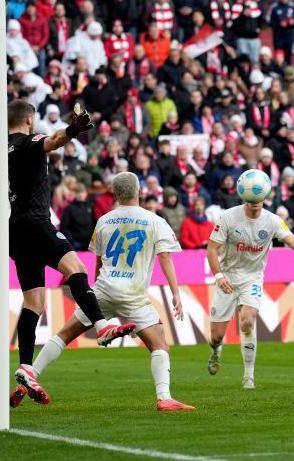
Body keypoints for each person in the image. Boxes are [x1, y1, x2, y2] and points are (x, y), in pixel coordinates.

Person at [0, 101, 134, 407]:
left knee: (34, 302)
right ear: (29, 119)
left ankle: (26, 367)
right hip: (37, 223)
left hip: (15, 232)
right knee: (75, 266)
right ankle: (103, 328)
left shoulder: (1, 153)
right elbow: (52, 141)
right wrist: (73, 130)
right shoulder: (31, 141)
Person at [23, 173, 194, 411]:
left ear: (115, 194)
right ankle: (164, 397)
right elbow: (164, 256)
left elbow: (99, 261)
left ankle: (30, 375)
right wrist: (175, 293)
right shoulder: (155, 220)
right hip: (133, 295)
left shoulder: (104, 220)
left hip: (102, 290)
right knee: (159, 345)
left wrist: (92, 294)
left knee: (63, 335)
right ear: (139, 192)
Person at [205, 183, 294, 389]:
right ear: (244, 196)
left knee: (247, 321)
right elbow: (211, 250)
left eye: (258, 198)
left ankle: (248, 377)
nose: (255, 203)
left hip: (252, 278)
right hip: (226, 277)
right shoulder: (228, 217)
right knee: (216, 335)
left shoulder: (272, 221)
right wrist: (218, 276)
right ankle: (216, 351)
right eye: (251, 199)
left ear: (264, 196)